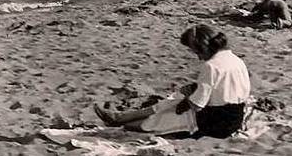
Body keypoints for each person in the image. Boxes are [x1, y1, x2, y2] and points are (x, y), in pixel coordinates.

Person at [95, 25, 251, 138]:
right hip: (235, 118)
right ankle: (121, 117)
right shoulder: (236, 60)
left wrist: (187, 96)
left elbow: (197, 106)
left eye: (195, 52)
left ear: (203, 48)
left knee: (153, 119)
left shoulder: (211, 66)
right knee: (173, 101)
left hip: (215, 124)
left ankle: (121, 119)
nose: (197, 57)